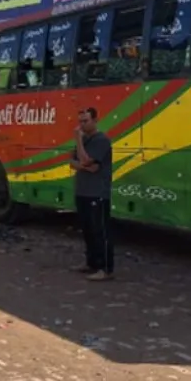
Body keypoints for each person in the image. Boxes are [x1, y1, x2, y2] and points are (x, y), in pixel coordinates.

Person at [70, 107, 114, 281]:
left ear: (95, 120)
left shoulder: (100, 140)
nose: (81, 125)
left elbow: (88, 161)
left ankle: (105, 268)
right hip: (83, 191)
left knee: (100, 231)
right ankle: (91, 263)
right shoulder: (85, 140)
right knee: (87, 230)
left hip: (97, 193)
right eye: (80, 121)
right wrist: (84, 165)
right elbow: (73, 162)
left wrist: (79, 143)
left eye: (85, 121)